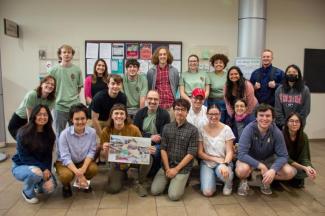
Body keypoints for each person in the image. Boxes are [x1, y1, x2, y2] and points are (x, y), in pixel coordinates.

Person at [236, 104, 296, 196]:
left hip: (268, 160)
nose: (264, 118)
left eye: (268, 116)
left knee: (290, 172)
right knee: (242, 170)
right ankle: (244, 180)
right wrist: (261, 166)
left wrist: (273, 170)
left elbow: (283, 156)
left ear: (272, 118)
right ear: (256, 117)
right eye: (261, 115)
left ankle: (262, 179)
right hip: (250, 160)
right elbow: (241, 154)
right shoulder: (248, 129)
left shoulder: (277, 132)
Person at [101, 104, 153, 197]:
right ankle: (123, 174)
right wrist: (105, 150)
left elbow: (141, 148)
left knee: (149, 157)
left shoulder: (134, 129)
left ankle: (139, 182)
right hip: (117, 163)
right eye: (116, 113)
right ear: (112, 116)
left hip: (133, 160)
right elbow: (106, 157)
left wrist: (147, 149)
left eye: (122, 113)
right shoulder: (106, 131)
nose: (119, 116)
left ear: (125, 116)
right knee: (113, 189)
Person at [151, 99, 198, 201]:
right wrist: (167, 169)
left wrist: (176, 170)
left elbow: (191, 153)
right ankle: (171, 179)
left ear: (187, 112)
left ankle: (182, 179)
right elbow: (163, 148)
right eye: (177, 109)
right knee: (155, 191)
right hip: (167, 166)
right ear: (173, 110)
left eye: (183, 110)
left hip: (182, 168)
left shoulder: (193, 130)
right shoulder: (167, 128)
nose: (180, 112)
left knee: (174, 196)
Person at [12, 105, 56, 204]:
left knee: (50, 188)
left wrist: (47, 170)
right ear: (34, 116)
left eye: (45, 115)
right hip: (22, 165)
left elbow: (48, 156)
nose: (43, 117)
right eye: (39, 114)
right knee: (35, 173)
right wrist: (42, 169)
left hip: (39, 167)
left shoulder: (49, 134)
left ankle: (37, 184)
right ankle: (27, 192)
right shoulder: (23, 133)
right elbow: (24, 157)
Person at [55, 103, 98, 198]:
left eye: (83, 118)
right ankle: (66, 186)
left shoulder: (92, 132)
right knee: (66, 175)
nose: (80, 122)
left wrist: (83, 169)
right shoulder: (64, 134)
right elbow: (65, 157)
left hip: (82, 161)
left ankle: (84, 181)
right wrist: (79, 173)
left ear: (87, 119)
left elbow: (91, 152)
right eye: (76, 119)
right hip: (64, 163)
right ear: (71, 119)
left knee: (93, 169)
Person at [198, 104, 235, 197]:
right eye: (211, 114)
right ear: (206, 115)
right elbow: (200, 153)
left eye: (216, 114)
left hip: (223, 162)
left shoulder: (227, 129)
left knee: (225, 173)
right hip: (207, 163)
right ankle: (213, 178)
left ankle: (228, 184)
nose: (213, 117)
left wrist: (225, 164)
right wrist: (215, 159)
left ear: (220, 114)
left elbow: (230, 151)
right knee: (207, 192)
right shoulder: (201, 130)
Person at [133, 90, 171, 176]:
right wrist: (149, 137)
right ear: (146, 99)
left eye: (155, 99)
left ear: (159, 100)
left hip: (158, 144)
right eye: (150, 99)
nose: (153, 101)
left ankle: (153, 171)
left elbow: (165, 134)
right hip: (141, 141)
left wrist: (156, 140)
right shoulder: (140, 113)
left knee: (154, 151)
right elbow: (135, 132)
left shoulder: (165, 114)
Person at [48, 44, 83, 137]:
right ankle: (60, 152)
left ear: (72, 55)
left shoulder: (77, 70)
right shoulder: (53, 70)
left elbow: (79, 87)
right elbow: (49, 88)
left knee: (76, 132)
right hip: (59, 107)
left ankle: (74, 152)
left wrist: (72, 97)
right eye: (64, 52)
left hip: (74, 106)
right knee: (60, 133)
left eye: (69, 52)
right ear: (60, 54)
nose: (67, 54)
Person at [8, 75, 56, 139]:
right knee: (26, 142)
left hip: (35, 120)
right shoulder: (32, 95)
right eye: (47, 83)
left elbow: (45, 116)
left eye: (52, 84)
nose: (50, 86)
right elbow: (30, 119)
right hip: (20, 121)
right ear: (41, 84)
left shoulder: (52, 99)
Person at [283, 113, 316, 188]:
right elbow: (285, 158)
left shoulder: (303, 136)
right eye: (291, 121)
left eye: (297, 121)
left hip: (296, 164)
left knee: (297, 183)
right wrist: (303, 167)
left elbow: (305, 157)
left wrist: (309, 167)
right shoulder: (281, 135)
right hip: (283, 162)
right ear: (287, 123)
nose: (294, 124)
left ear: (301, 124)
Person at [147, 47, 179, 119]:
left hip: (171, 105)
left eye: (164, 54)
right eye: (160, 54)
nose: (162, 56)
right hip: (157, 106)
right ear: (157, 57)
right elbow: (150, 88)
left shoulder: (174, 71)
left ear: (167, 56)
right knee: (157, 128)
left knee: (171, 128)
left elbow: (175, 87)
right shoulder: (151, 72)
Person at [275, 64, 310, 129]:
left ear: (298, 74)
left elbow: (306, 109)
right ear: (285, 74)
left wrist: (296, 123)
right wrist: (284, 124)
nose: (291, 74)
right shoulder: (279, 89)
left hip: (298, 124)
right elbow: (278, 110)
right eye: (289, 72)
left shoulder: (305, 90)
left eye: (294, 72)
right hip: (283, 125)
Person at [207, 53, 229, 123]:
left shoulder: (228, 75)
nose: (218, 64)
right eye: (216, 63)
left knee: (222, 122)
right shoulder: (208, 75)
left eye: (221, 63)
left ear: (224, 64)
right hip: (211, 101)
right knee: (211, 121)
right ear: (213, 64)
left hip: (224, 102)